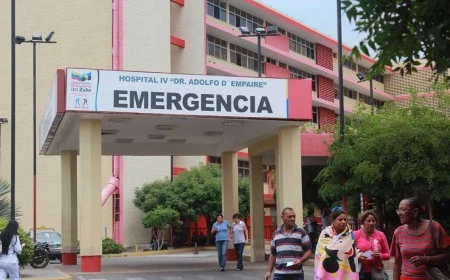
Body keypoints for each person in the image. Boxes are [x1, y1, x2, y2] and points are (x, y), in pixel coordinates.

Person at [391, 197, 450, 280]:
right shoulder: (398, 232)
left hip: (431, 277)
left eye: (403, 210)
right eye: (398, 210)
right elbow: (397, 262)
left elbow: (448, 255)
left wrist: (427, 259)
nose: (399, 213)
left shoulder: (434, 227)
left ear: (415, 212)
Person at [264, 207, 312, 280]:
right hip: (279, 274)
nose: (292, 219)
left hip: (296, 274)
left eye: (294, 216)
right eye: (289, 217)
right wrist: (269, 271)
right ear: (282, 217)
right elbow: (273, 254)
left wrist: (301, 260)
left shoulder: (301, 232)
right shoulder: (276, 234)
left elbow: (309, 251)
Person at [314, 207, 359, 280]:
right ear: (333, 221)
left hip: (346, 271)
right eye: (340, 219)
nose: (343, 222)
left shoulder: (350, 234)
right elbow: (320, 253)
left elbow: (354, 255)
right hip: (328, 272)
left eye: (345, 219)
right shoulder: (325, 233)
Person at [354, 211, 390, 280]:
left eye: (373, 221)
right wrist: (358, 256)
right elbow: (349, 253)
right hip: (360, 272)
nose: (371, 223)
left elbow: (388, 255)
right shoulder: (355, 234)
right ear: (363, 222)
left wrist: (379, 255)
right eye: (368, 221)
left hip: (377, 272)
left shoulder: (381, 235)